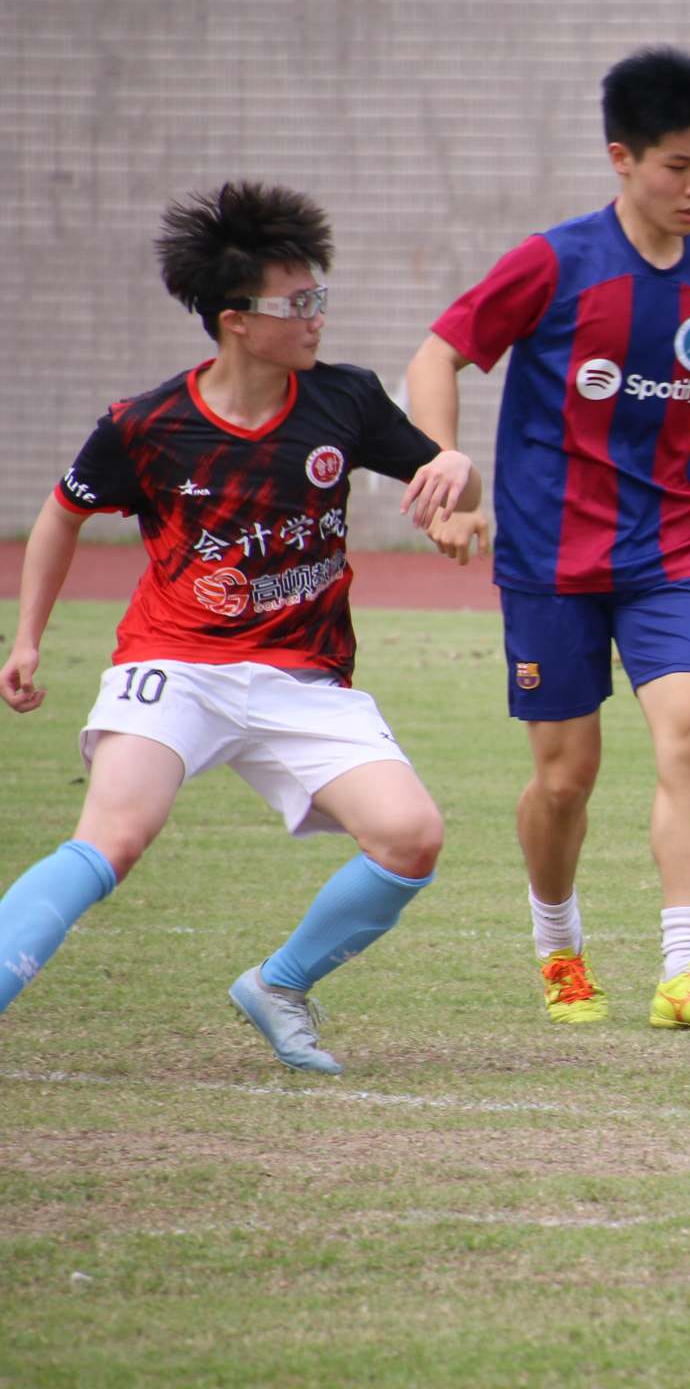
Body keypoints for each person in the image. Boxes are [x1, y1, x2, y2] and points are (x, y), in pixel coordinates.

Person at [0, 182, 481, 1074]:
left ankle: (279, 985)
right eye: (296, 303)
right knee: (113, 836)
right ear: (236, 321)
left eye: (319, 295)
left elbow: (446, 471)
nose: (316, 316)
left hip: (303, 676)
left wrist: (457, 469)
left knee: (412, 838)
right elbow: (62, 514)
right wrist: (28, 638)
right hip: (176, 664)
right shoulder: (147, 425)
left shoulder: (346, 400)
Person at [406, 46, 690, 1034]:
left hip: (673, 554)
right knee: (564, 777)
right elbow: (438, 355)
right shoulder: (554, 263)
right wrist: (446, 472)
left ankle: (687, 969)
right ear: (622, 158)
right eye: (678, 166)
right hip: (551, 559)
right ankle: (559, 945)